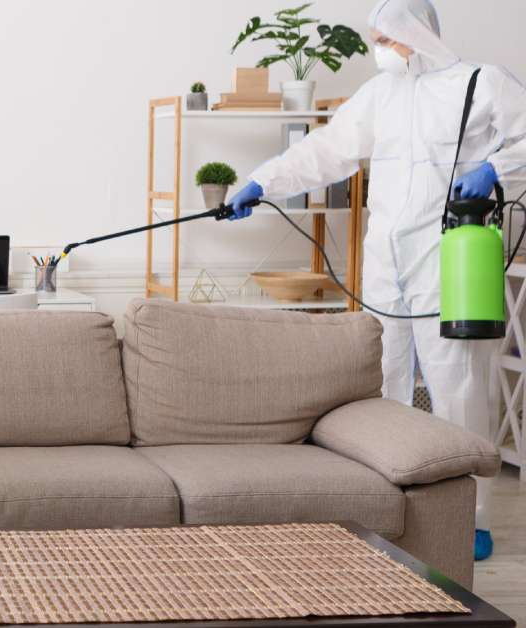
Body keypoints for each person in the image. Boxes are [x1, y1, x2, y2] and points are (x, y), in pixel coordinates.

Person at [228, 0, 526, 562]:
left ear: (413, 34)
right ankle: (389, 503)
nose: (378, 49)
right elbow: (325, 152)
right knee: (380, 385)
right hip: (386, 266)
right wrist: (261, 182)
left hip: (453, 262)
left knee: (459, 389)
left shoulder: (481, 84)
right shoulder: (379, 96)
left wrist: (498, 168)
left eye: (384, 38)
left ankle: (471, 517)